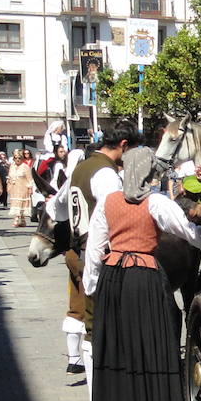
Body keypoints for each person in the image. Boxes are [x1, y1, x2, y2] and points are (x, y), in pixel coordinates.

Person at [83, 147, 201, 401]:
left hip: (113, 277)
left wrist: (91, 284)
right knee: (152, 341)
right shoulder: (156, 203)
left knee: (119, 343)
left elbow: (94, 246)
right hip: (144, 277)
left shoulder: (108, 202)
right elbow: (187, 232)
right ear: (149, 173)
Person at [67, 120, 136, 382]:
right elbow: (112, 217)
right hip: (97, 254)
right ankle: (102, 387)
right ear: (123, 145)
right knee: (99, 324)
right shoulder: (105, 173)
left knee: (90, 319)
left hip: (78, 247)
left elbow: (60, 205)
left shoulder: (82, 166)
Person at [9, 149, 34, 228]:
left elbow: (30, 179)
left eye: (19, 158)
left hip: (23, 188)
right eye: (16, 158)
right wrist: (9, 185)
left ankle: (16, 220)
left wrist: (30, 188)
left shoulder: (25, 167)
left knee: (21, 203)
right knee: (16, 203)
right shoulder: (12, 166)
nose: (17, 160)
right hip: (14, 187)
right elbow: (9, 177)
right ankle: (23, 221)